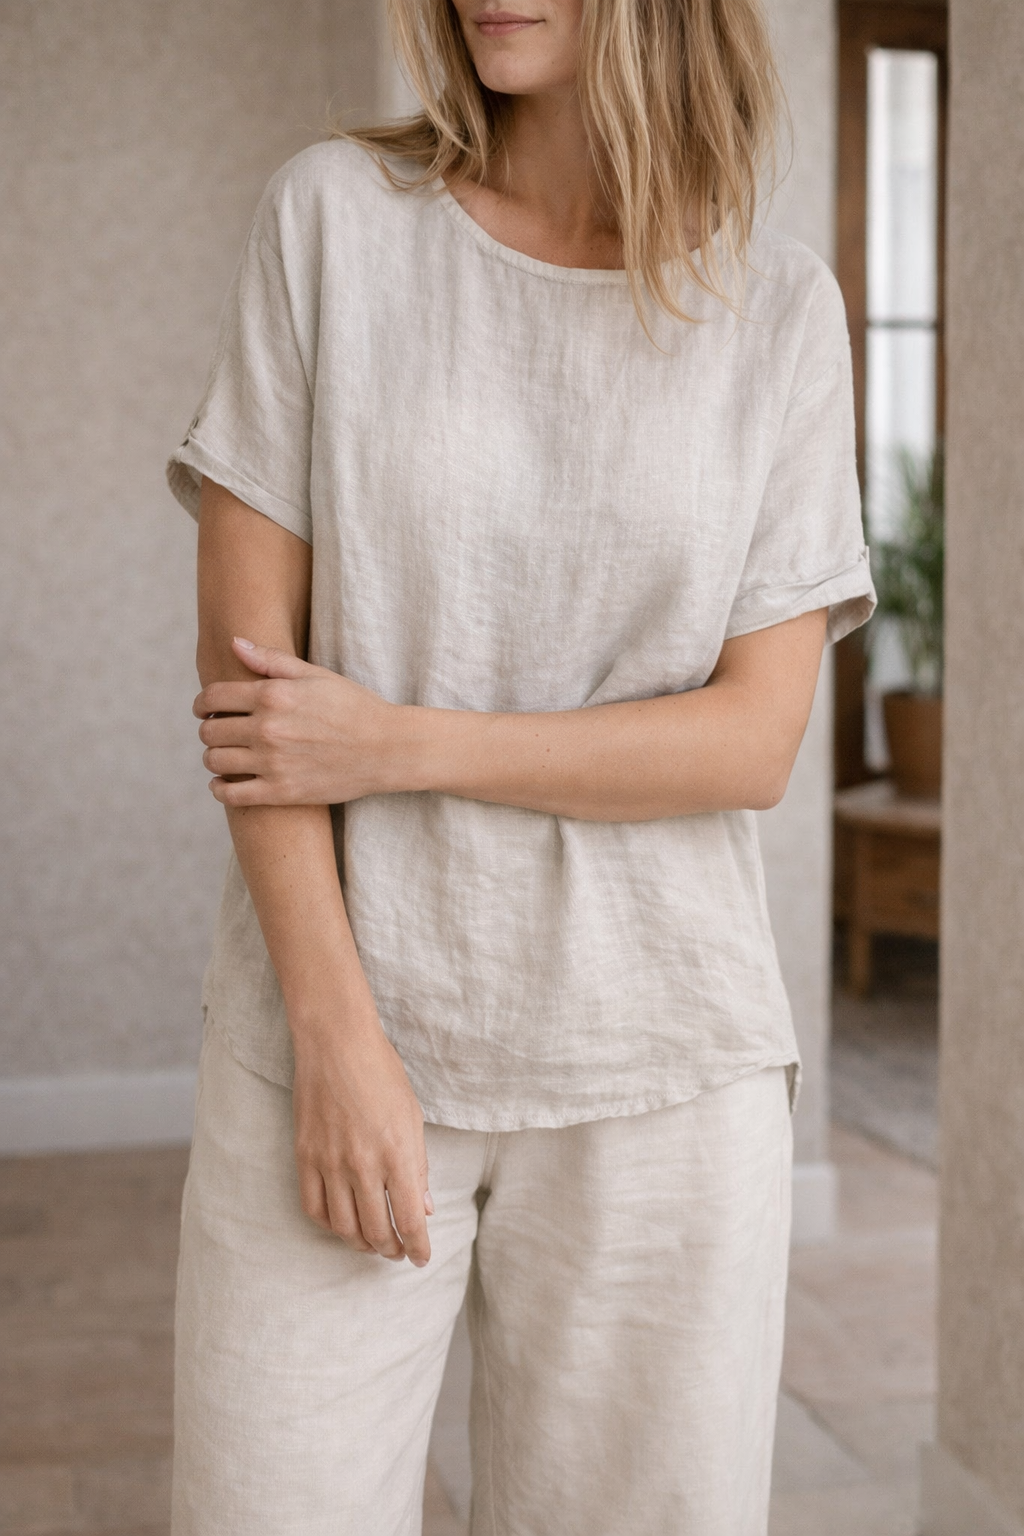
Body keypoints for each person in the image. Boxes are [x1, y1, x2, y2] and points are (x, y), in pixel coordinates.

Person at [167, 1, 875, 1532]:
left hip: (664, 1067)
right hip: (346, 1037)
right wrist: (337, 1037)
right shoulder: (333, 224)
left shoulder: (776, 311)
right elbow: (251, 690)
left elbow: (753, 740)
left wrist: (400, 742)